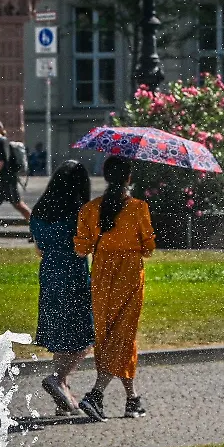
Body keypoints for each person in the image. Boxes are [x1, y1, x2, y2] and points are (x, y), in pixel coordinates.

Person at [73, 156, 156, 422]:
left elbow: (80, 248)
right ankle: (96, 395)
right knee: (123, 335)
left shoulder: (90, 209)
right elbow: (149, 247)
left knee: (109, 335)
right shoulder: (138, 207)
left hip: (101, 274)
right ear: (129, 178)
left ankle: (132, 399)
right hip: (129, 274)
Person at [29, 160, 93, 416]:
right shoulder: (79, 212)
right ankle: (58, 378)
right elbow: (83, 247)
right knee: (83, 333)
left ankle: (63, 392)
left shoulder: (39, 211)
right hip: (74, 273)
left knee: (60, 331)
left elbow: (39, 247)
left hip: (49, 273)